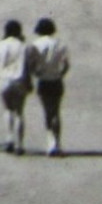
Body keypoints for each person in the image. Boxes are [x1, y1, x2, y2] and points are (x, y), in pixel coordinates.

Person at [28, 17, 71, 156]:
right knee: (56, 112)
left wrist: (36, 73)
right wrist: (60, 74)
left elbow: (31, 65)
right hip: (56, 80)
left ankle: (50, 142)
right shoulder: (60, 44)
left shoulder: (35, 44)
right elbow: (66, 65)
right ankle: (57, 143)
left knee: (47, 112)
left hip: (43, 81)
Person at [0, 20, 31, 154]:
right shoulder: (23, 46)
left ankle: (9, 139)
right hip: (19, 80)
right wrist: (29, 82)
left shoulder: (0, 45)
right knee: (19, 112)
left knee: (8, 110)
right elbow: (27, 66)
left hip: (4, 80)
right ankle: (20, 144)